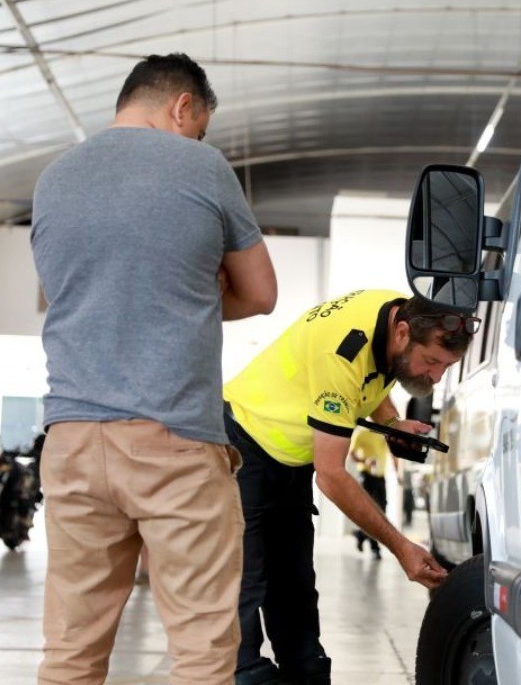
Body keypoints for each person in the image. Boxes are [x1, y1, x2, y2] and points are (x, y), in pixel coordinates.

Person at [30, 53, 277, 685]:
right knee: (199, 648)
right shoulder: (202, 165)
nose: (197, 139)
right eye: (199, 127)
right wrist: (192, 290)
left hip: (73, 440)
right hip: (175, 441)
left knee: (71, 650)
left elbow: (57, 297)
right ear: (183, 107)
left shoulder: (54, 178)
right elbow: (260, 294)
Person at [223, 289, 478, 685]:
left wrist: (392, 423)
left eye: (447, 366)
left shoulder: (398, 316)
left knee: (294, 591)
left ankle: (305, 673)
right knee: (247, 586)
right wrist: (401, 546)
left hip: (290, 458)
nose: (435, 376)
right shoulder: (342, 351)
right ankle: (244, 674)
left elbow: (373, 377)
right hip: (245, 444)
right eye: (432, 362)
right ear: (404, 333)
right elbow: (332, 476)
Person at [349, 428, 393, 558]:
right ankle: (375, 548)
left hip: (380, 477)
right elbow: (351, 454)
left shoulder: (385, 434)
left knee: (381, 511)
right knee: (369, 511)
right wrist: (365, 461)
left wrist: (398, 472)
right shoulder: (362, 433)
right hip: (366, 475)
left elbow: (392, 454)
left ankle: (361, 535)